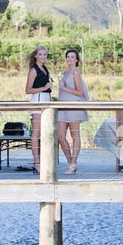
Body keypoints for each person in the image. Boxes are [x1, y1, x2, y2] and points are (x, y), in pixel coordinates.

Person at [58, 49, 89, 174]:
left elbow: (79, 92)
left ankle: (73, 162)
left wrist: (64, 87)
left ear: (76, 60)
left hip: (73, 105)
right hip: (62, 105)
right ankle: (71, 162)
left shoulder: (76, 72)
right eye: (68, 57)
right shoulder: (65, 72)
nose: (69, 59)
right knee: (60, 136)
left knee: (74, 135)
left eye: (72, 57)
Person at [25, 45, 53, 174]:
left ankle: (44, 160)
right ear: (36, 55)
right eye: (41, 54)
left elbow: (48, 88)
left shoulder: (45, 68)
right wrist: (44, 88)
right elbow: (28, 90)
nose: (43, 57)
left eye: (45, 54)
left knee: (47, 132)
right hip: (37, 100)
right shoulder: (33, 70)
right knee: (36, 133)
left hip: (46, 100)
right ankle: (36, 163)